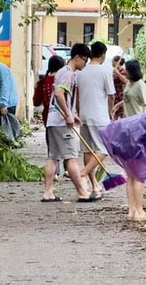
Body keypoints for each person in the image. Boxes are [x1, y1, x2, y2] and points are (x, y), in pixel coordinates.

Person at [42, 43, 95, 203]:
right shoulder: (68, 74)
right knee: (71, 157)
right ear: (77, 57)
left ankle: (48, 192)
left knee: (53, 157)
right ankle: (82, 192)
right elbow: (59, 94)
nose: (85, 64)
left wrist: (72, 114)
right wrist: (68, 115)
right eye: (85, 60)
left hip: (53, 120)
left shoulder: (61, 72)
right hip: (60, 122)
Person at [76, 41, 115, 198]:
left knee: (88, 150)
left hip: (84, 115)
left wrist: (79, 112)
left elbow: (78, 96)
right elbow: (111, 95)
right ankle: (83, 173)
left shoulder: (82, 72)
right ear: (103, 55)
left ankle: (95, 187)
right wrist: (111, 112)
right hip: (99, 116)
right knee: (104, 149)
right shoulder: (105, 70)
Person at [33, 55, 66, 179]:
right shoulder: (65, 80)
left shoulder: (42, 82)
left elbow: (36, 102)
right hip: (64, 117)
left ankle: (55, 173)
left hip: (49, 118)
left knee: (52, 147)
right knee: (67, 145)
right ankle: (68, 169)